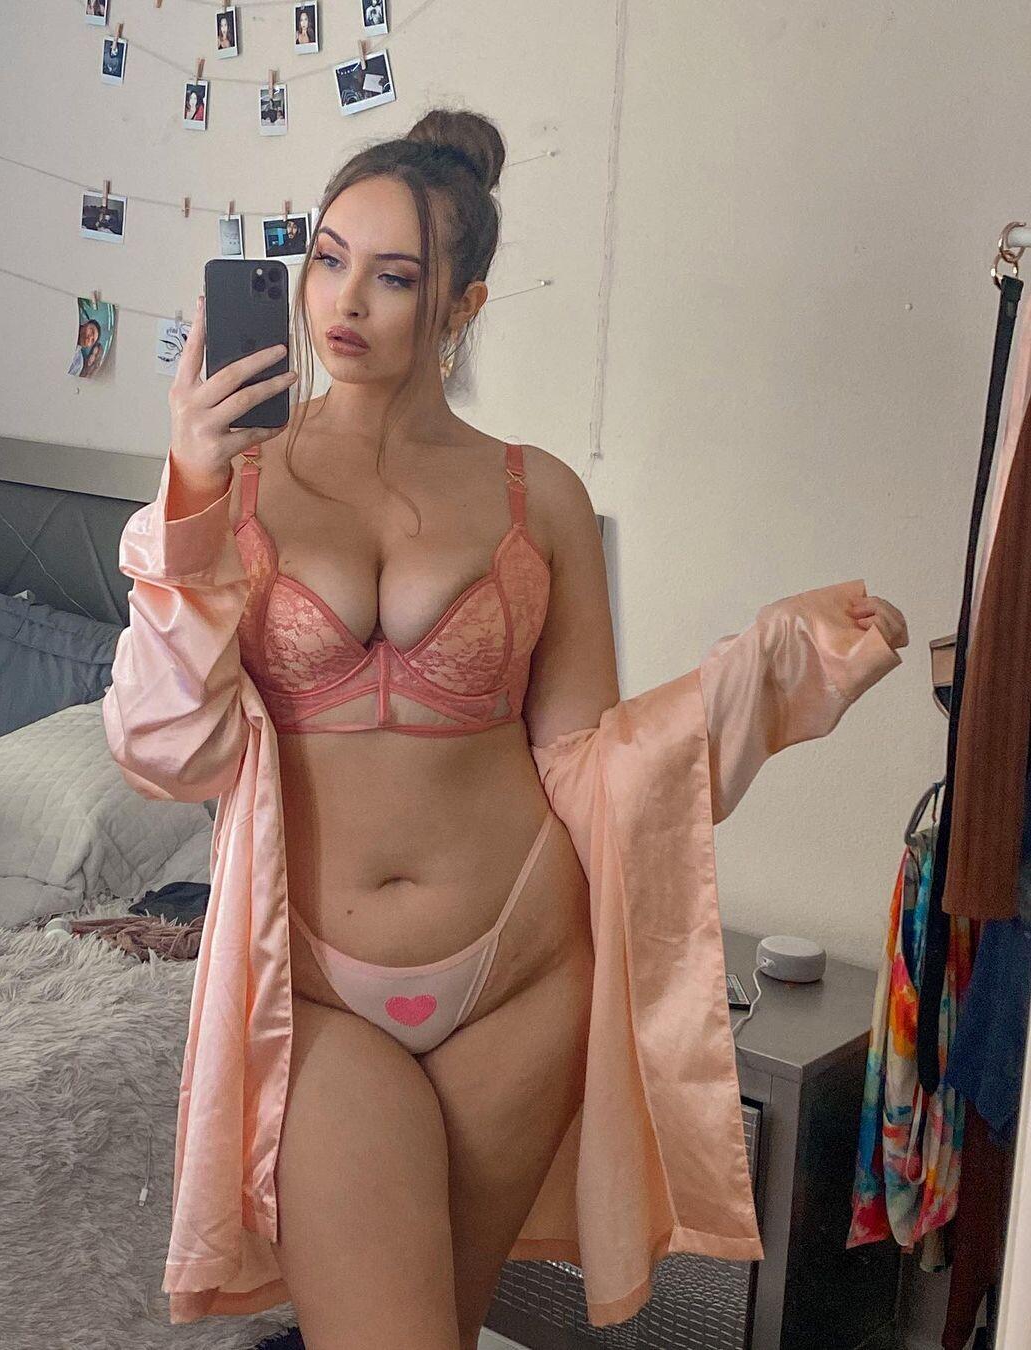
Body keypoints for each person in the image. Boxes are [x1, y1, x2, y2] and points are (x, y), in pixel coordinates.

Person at [104, 106, 908, 1347]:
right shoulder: (235, 486)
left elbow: (591, 765)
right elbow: (165, 747)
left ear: (462, 306)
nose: (345, 300)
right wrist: (191, 499)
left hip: (523, 980)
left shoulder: (541, 494)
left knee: (445, 1323)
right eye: (328, 259)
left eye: (395, 275)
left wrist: (773, 669)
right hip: (317, 990)